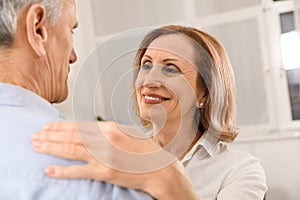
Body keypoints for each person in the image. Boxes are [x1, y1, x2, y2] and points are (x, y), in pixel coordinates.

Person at [32, 25, 268, 199]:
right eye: (146, 65)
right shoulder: (121, 156)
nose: (149, 80)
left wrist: (167, 179)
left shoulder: (240, 170)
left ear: (204, 94)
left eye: (171, 69)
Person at [0, 0, 152, 199]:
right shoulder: (91, 171)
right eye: (70, 30)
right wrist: (173, 182)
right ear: (38, 29)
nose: (73, 57)